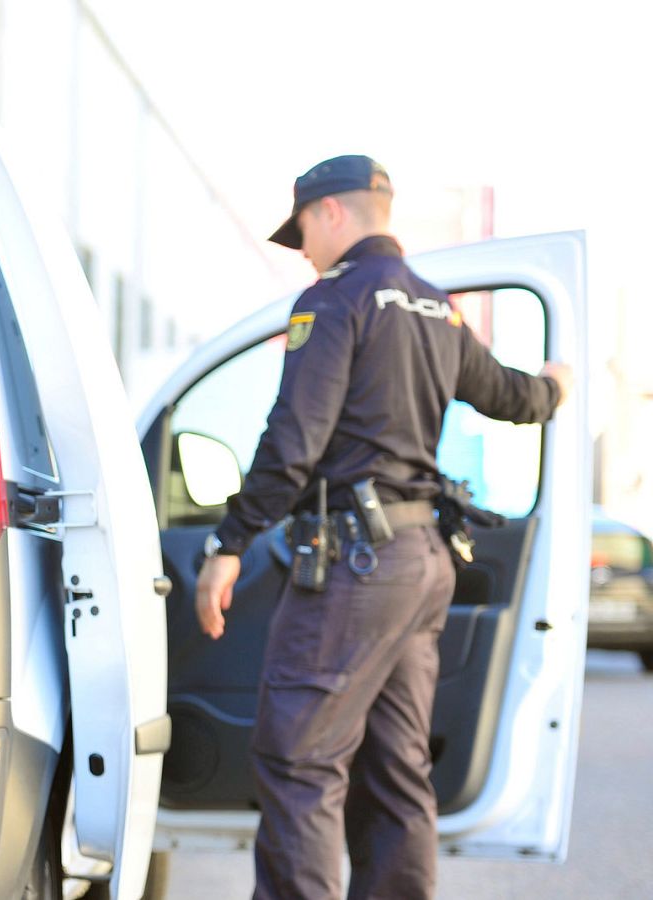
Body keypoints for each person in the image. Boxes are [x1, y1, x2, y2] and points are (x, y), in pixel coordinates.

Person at [193, 155, 573, 899]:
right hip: (420, 563)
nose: (301, 248)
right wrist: (558, 386)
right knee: (396, 771)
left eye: (301, 228)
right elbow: (512, 397)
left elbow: (292, 440)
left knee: (299, 760)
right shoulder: (439, 308)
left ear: (332, 212)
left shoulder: (332, 303)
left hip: (353, 568)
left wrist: (227, 542)